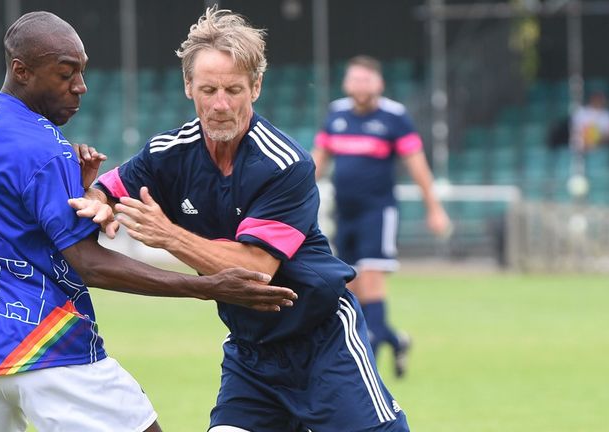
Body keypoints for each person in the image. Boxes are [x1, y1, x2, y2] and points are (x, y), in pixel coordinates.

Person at [0, 11, 297, 432]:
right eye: (65, 74)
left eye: (82, 72)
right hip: (43, 344)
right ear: (22, 71)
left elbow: (12, 214)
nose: (80, 87)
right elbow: (88, 264)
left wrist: (76, 190)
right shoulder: (46, 147)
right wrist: (205, 287)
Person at [70, 7, 409, 431]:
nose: (220, 104)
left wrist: (169, 236)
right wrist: (97, 198)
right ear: (188, 87)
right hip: (251, 355)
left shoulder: (285, 165)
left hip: (322, 344)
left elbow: (255, 270)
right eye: (208, 89)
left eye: (234, 89)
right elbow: (109, 187)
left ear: (257, 87)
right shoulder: (168, 153)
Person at [312, 55, 450, 378]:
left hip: (378, 212)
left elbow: (416, 163)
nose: (360, 85)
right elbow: (316, 162)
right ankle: (396, 340)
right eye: (355, 79)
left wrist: (434, 207)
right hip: (344, 215)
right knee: (354, 292)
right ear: (347, 83)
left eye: (366, 79)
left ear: (379, 83)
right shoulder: (336, 114)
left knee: (372, 279)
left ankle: (366, 372)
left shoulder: (394, 117)